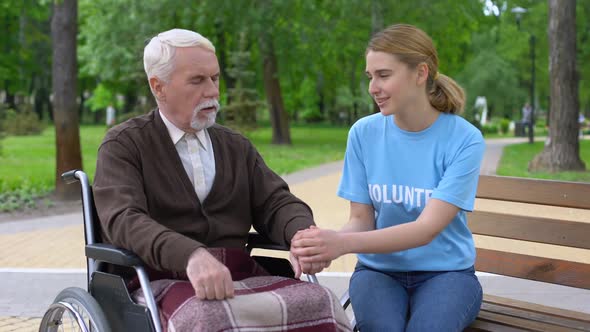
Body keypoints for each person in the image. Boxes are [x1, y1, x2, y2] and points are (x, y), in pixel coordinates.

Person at [93, 28, 348, 331]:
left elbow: (276, 202)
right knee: (209, 317)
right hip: (155, 279)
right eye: (197, 80)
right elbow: (124, 220)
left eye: (214, 78)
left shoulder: (235, 146)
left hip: (237, 272)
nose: (212, 91)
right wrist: (190, 255)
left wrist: (300, 235)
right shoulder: (124, 145)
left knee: (321, 301)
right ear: (158, 87)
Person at [292, 24, 485, 331]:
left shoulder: (464, 139)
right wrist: (322, 247)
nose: (373, 87)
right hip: (378, 272)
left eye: (383, 75)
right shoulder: (363, 133)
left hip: (447, 274)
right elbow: (360, 218)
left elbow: (425, 230)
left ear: (420, 73)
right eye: (370, 77)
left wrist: (340, 243)